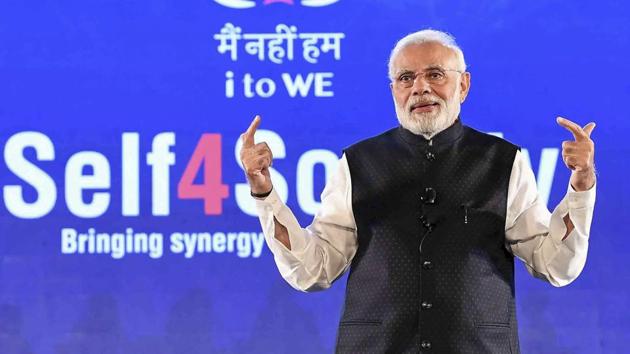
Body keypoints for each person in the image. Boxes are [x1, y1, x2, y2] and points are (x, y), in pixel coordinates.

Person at [239, 29, 596, 353]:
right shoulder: (358, 162)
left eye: (435, 75)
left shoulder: (503, 161)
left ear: (464, 85)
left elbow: (555, 265)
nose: (420, 88)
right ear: (393, 90)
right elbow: (313, 269)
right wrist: (266, 194)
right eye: (406, 78)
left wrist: (580, 185)